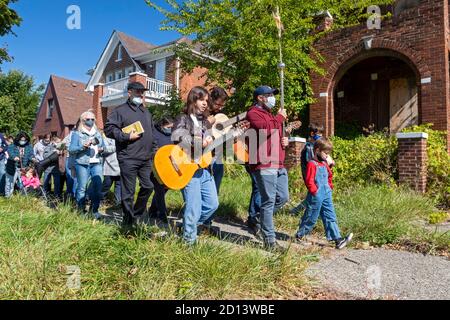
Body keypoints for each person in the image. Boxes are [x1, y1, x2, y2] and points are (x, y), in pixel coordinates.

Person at [104, 82, 157, 231]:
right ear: (130, 92)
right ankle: (128, 223)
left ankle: (136, 214)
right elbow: (109, 129)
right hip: (128, 158)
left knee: (148, 186)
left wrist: (154, 150)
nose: (141, 94)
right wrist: (126, 136)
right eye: (138, 91)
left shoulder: (146, 112)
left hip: (146, 158)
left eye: (143, 92)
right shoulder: (120, 111)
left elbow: (152, 133)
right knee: (128, 191)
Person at [171, 86, 219, 244]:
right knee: (193, 207)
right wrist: (197, 141)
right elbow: (177, 135)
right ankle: (189, 241)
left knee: (212, 204)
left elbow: (209, 143)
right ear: (193, 100)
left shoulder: (205, 122)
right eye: (201, 99)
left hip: (205, 169)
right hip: (189, 169)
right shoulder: (183, 118)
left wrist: (212, 140)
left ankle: (188, 225)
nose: (205, 103)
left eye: (206, 100)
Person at [246, 85, 290, 250]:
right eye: (269, 95)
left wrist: (285, 141)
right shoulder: (253, 113)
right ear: (260, 98)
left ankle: (257, 218)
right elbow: (266, 129)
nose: (273, 97)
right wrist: (279, 117)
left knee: (283, 198)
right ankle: (270, 241)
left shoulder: (270, 115)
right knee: (269, 201)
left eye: (273, 94)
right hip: (264, 163)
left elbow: (276, 134)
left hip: (278, 163)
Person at [295, 138, 353, 249]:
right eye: (325, 153)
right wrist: (314, 191)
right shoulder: (312, 164)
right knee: (311, 216)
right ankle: (300, 235)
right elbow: (309, 180)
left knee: (330, 215)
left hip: (326, 193)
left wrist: (330, 186)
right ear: (317, 151)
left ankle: (337, 239)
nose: (327, 156)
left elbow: (329, 175)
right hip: (316, 195)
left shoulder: (324, 163)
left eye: (328, 154)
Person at [290, 123, 335, 215]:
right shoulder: (309, 147)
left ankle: (296, 211)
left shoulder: (318, 148)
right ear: (312, 134)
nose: (320, 137)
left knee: (313, 196)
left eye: (322, 135)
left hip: (318, 175)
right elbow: (311, 163)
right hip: (311, 175)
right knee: (314, 195)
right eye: (319, 135)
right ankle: (305, 213)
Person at [69, 111, 105, 219]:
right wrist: (82, 146)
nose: (90, 121)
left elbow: (104, 147)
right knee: (82, 188)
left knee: (98, 186)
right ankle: (81, 211)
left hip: (96, 162)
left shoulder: (98, 133)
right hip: (82, 163)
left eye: (92, 119)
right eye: (88, 119)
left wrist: (102, 149)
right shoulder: (77, 133)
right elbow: (71, 149)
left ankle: (94, 210)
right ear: (83, 120)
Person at [148, 117, 174, 223]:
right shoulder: (154, 134)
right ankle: (162, 215)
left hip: (168, 168)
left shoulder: (172, 136)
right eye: (168, 127)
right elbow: (151, 148)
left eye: (171, 127)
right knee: (159, 190)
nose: (170, 129)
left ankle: (152, 210)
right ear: (162, 125)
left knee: (163, 190)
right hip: (154, 167)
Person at [208, 86, 229, 195]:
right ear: (211, 99)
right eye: (218, 104)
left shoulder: (220, 115)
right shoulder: (202, 112)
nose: (220, 108)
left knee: (217, 180)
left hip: (217, 154)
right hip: (202, 155)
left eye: (222, 105)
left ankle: (212, 205)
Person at [4, 132, 36, 198]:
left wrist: (32, 158)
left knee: (23, 183)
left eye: (25, 140)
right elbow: (10, 152)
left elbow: (31, 154)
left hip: (23, 168)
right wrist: (14, 157)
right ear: (18, 139)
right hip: (12, 167)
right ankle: (8, 197)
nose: (23, 141)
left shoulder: (29, 146)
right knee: (10, 183)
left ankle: (22, 197)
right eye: (22, 140)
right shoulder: (12, 145)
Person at [101, 132, 121, 207]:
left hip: (120, 165)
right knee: (106, 184)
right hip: (109, 165)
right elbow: (104, 149)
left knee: (119, 185)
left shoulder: (122, 135)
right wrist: (117, 146)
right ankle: (101, 200)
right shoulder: (105, 137)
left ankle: (117, 202)